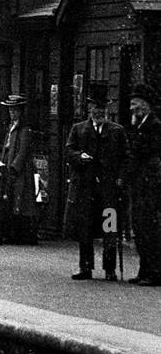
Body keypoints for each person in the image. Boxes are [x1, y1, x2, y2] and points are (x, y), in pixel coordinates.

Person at [65, 93, 127, 281]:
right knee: (85, 228)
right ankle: (85, 268)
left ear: (106, 111)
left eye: (101, 109)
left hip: (109, 189)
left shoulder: (117, 131)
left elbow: (126, 157)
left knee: (110, 227)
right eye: (94, 109)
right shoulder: (78, 129)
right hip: (86, 187)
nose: (98, 112)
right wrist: (79, 157)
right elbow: (69, 150)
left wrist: (120, 179)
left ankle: (110, 269)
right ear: (89, 110)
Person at [125, 83, 161, 286]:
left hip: (149, 186)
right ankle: (145, 269)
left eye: (134, 104)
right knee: (140, 228)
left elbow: (144, 156)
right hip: (140, 185)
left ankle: (154, 272)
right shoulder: (139, 125)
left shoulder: (154, 126)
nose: (131, 108)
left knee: (149, 228)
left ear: (144, 105)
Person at [0, 94, 38, 244]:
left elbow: (23, 151)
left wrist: (14, 168)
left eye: (15, 110)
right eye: (10, 110)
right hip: (8, 163)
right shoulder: (11, 126)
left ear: (21, 111)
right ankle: (11, 233)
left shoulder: (24, 129)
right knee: (10, 199)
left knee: (21, 201)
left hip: (20, 170)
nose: (12, 113)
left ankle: (23, 235)